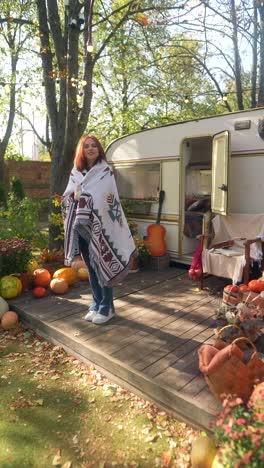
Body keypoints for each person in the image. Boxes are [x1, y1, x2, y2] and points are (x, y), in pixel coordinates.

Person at [62, 134, 136, 325]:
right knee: (92, 268)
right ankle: (96, 302)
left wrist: (84, 197)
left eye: (94, 146)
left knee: (103, 266)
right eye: (87, 146)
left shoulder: (105, 172)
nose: (91, 149)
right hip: (82, 229)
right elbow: (67, 197)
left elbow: (107, 199)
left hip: (102, 229)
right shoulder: (75, 173)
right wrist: (75, 196)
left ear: (99, 149)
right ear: (82, 150)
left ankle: (107, 307)